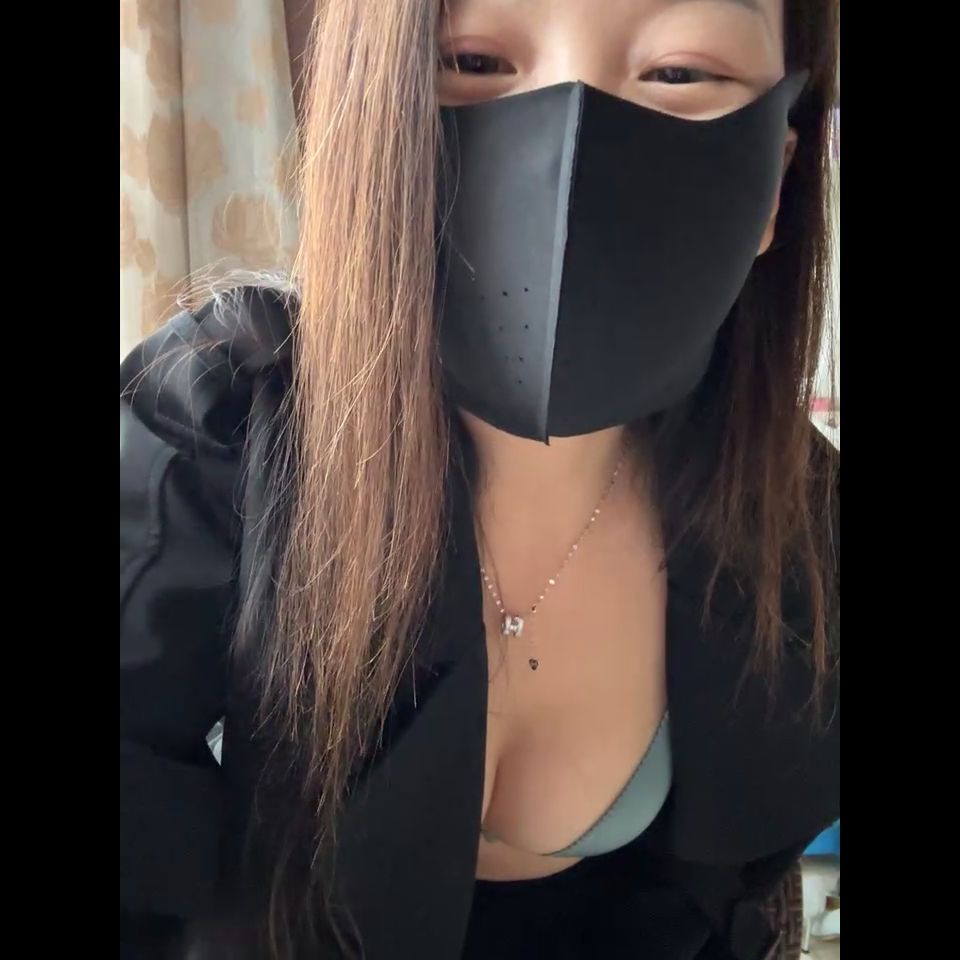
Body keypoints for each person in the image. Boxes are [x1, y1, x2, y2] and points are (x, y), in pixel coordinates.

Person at [120, 1, 840, 958]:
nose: (573, 134)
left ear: (777, 179)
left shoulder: (801, 530)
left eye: (681, 73)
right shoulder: (206, 426)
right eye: (471, 59)